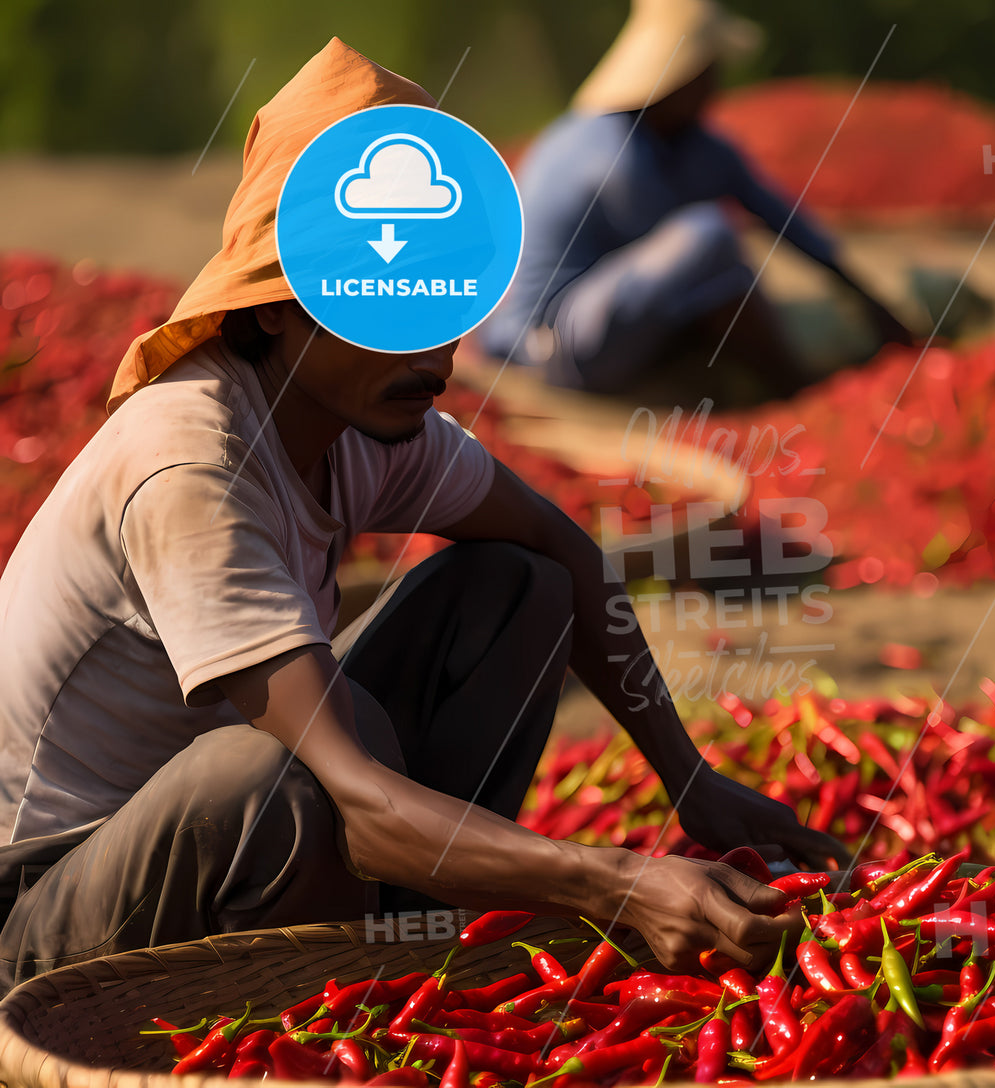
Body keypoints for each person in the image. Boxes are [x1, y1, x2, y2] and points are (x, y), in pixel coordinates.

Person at [0, 37, 846, 993]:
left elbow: (562, 548)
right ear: (272, 307)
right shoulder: (190, 459)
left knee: (517, 584)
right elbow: (354, 802)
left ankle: (399, 934)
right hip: (40, 912)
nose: (435, 351)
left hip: (196, 839)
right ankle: (330, 980)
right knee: (275, 778)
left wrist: (686, 778)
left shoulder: (368, 414)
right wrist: (611, 883)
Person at [477, 0, 912, 401]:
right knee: (710, 234)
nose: (713, 87)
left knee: (714, 250)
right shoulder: (610, 153)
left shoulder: (694, 146)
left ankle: (787, 382)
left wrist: (868, 298)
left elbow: (784, 221)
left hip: (616, 317)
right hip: (553, 342)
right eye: (705, 73)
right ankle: (794, 389)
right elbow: (702, 266)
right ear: (677, 76)